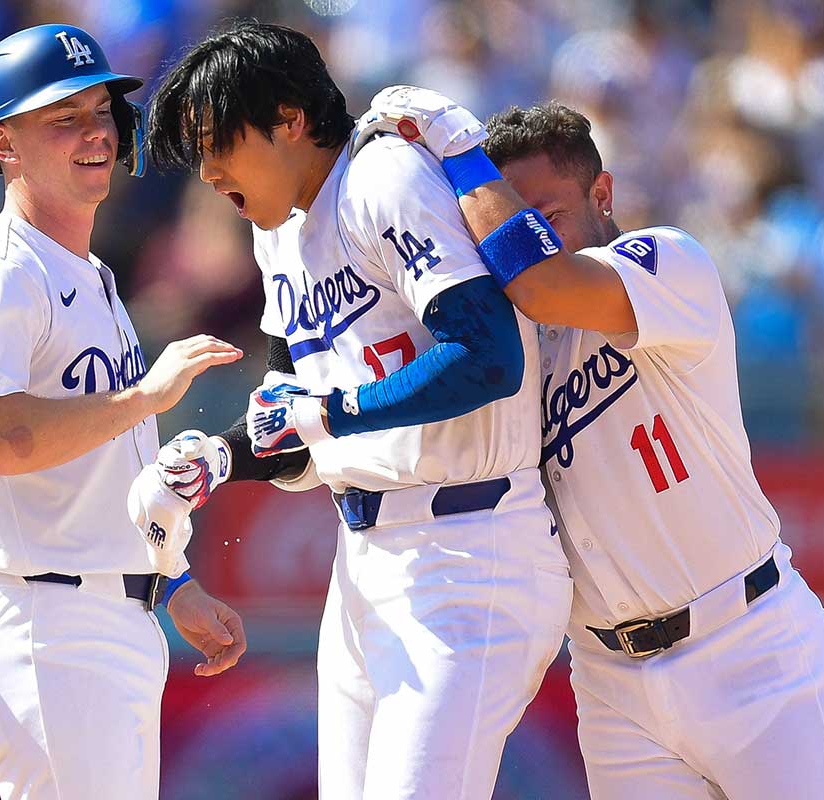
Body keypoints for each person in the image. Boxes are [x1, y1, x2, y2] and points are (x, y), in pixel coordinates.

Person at [352, 88, 824, 799]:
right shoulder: (509, 356)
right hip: (610, 678)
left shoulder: (665, 261)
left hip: (751, 645)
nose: (532, 237)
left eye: (549, 215)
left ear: (603, 192)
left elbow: (546, 283)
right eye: (511, 222)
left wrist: (456, 144)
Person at [129, 22, 572, 800]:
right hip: (364, 561)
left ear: (290, 120)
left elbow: (490, 355)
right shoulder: (277, 235)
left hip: (471, 549)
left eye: (216, 143)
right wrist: (220, 458)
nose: (205, 172)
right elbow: (291, 421)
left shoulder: (383, 177)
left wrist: (330, 413)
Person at [0, 24, 247, 800]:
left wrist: (169, 580)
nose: (95, 132)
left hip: (97, 617)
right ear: (4, 144)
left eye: (100, 110)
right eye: (63, 119)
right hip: (41, 624)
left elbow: (99, 466)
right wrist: (146, 396)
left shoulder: (87, 274)